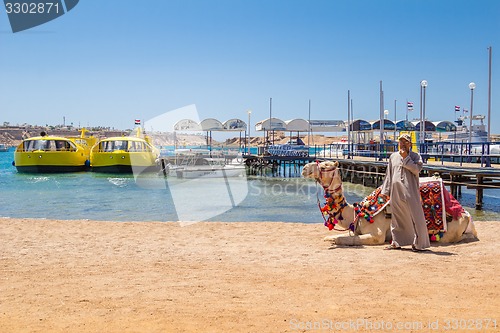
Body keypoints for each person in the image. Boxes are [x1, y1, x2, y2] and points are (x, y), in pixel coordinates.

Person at [381, 133, 430, 252]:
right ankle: (397, 242)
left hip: (410, 189)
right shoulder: (393, 156)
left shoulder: (415, 156)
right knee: (396, 216)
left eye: (405, 142)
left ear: (410, 144)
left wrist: (406, 158)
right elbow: (389, 175)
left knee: (416, 216)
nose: (402, 144)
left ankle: (419, 243)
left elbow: (417, 169)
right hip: (395, 190)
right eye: (400, 142)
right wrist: (385, 191)